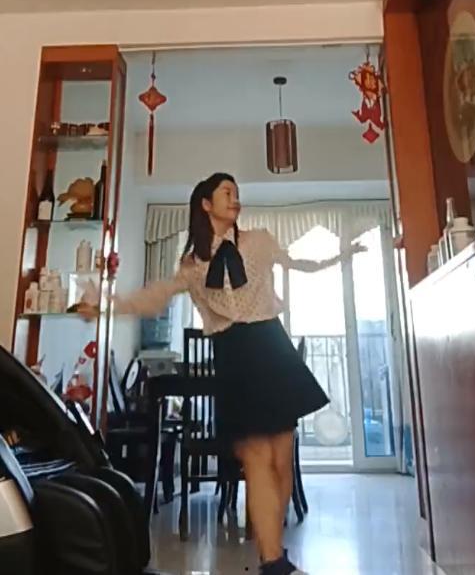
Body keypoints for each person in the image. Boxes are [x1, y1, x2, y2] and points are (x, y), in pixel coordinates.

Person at [80, 172, 365, 575]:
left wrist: (341, 256)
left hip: (273, 346)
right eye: (226, 192)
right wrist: (108, 305)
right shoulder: (192, 265)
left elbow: (297, 263)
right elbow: (155, 296)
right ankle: (273, 562)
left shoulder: (259, 241)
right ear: (206, 204)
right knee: (256, 456)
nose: (235, 198)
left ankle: (274, 551)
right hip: (233, 354)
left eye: (237, 193)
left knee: (281, 460)